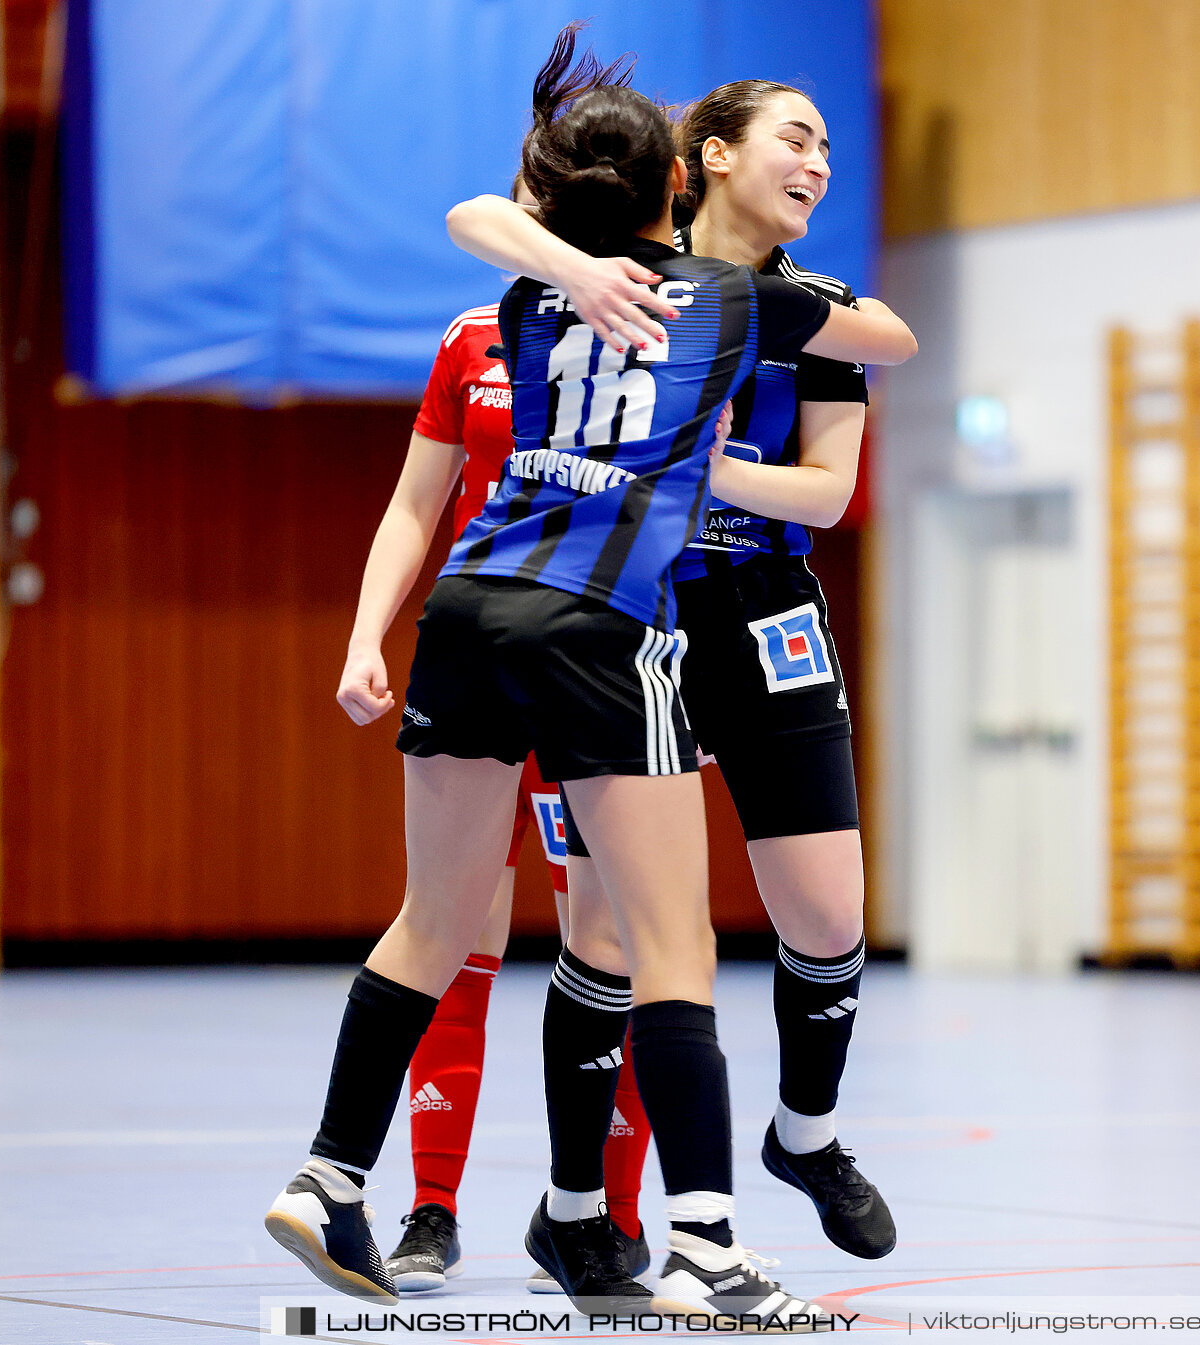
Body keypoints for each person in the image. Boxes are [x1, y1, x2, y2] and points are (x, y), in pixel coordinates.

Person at [263, 27, 915, 1321]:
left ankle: (330, 1172)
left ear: (548, 198)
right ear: (684, 183)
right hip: (602, 631)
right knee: (672, 947)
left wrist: (565, 255)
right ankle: (707, 1244)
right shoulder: (733, 303)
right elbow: (886, 337)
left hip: (468, 612)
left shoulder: (519, 301)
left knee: (430, 924)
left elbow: (477, 217)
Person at [446, 76, 894, 1268]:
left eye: (830, 147)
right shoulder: (630, 272)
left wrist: (699, 468)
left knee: (829, 911)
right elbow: (486, 222)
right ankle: (573, 1205)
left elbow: (832, 492)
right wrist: (581, 270)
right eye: (797, 139)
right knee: (605, 927)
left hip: (765, 611)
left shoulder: (812, 315)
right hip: (628, 611)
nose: (819, 163)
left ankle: (807, 1133)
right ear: (711, 157)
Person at [333, 234, 659, 1292]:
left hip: (592, 660)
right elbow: (414, 501)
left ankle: (601, 1212)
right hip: (479, 662)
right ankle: (431, 1208)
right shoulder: (474, 337)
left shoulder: (659, 335)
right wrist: (364, 636)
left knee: (612, 945)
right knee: (455, 930)